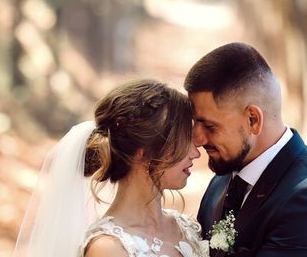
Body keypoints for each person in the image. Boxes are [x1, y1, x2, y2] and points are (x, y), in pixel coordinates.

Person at [185, 42, 307, 256]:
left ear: (253, 119)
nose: (198, 138)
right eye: (195, 124)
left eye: (209, 126)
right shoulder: (222, 179)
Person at [13, 79, 208, 257]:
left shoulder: (187, 228)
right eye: (184, 140)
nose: (196, 152)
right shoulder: (108, 248)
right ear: (143, 152)